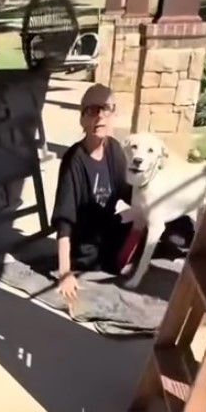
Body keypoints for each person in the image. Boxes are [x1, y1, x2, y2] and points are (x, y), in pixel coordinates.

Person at [51, 84, 133, 301]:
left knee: (176, 226)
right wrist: (65, 273)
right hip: (86, 250)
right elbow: (64, 224)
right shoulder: (73, 161)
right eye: (92, 110)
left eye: (105, 109)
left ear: (113, 114)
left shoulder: (114, 150)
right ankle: (121, 263)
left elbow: (129, 194)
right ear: (82, 119)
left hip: (109, 234)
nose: (99, 117)